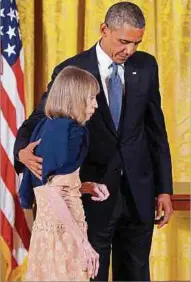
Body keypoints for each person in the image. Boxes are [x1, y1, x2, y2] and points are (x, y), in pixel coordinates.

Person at [14, 2, 173, 281]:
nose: (130, 51)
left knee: (136, 272)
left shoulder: (146, 66)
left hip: (138, 192)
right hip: (93, 194)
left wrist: (164, 190)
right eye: (124, 42)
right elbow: (38, 118)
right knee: (91, 272)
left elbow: (155, 130)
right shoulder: (72, 69)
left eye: (137, 43)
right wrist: (22, 153)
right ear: (104, 29)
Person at [19, 66, 110, 281]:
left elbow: (45, 185)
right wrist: (83, 243)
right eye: (91, 98)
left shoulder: (45, 126)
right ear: (75, 98)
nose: (95, 105)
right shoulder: (73, 132)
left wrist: (86, 187)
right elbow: (53, 193)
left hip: (45, 235)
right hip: (65, 234)